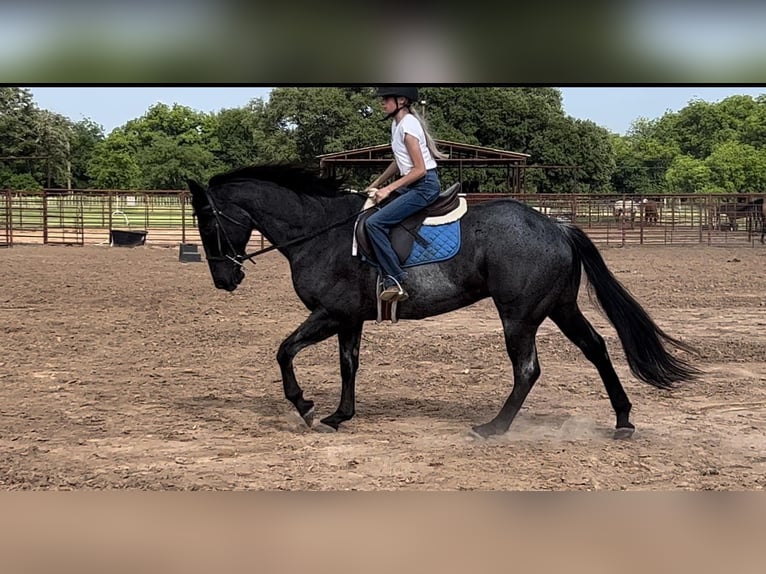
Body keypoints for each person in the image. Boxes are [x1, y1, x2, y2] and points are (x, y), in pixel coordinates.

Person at [364, 86, 448, 302]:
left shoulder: (408, 126)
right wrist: (376, 183)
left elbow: (419, 169)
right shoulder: (397, 124)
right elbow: (399, 161)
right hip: (415, 184)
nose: (382, 103)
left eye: (386, 99)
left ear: (401, 100)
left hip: (424, 186)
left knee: (374, 223)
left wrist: (388, 189)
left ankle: (395, 279)